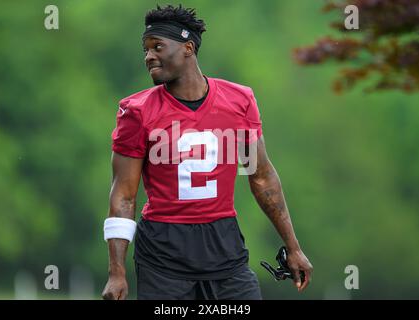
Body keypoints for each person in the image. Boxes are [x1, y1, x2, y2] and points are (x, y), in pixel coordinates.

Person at [102, 4, 313, 300]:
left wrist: (293, 247)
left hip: (224, 247)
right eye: (145, 49)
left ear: (188, 47)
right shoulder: (137, 112)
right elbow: (124, 195)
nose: (149, 56)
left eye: (157, 46)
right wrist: (116, 272)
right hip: (164, 255)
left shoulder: (239, 101)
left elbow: (261, 178)